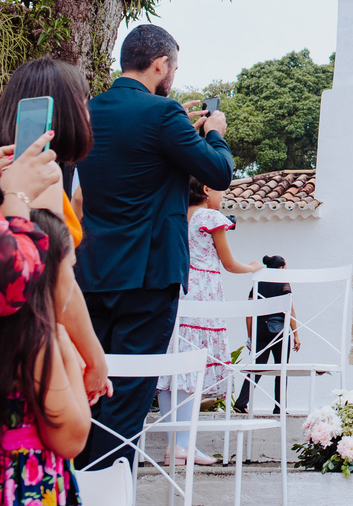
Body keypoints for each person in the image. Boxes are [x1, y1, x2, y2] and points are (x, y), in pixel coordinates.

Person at [74, 25, 234, 469]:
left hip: (91, 273)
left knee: (91, 386)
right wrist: (213, 132)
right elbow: (217, 173)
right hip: (147, 276)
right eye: (174, 67)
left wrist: (175, 124)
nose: (173, 74)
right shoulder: (164, 117)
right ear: (160, 64)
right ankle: (109, 489)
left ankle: (80, 487)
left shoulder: (88, 111)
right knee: (128, 396)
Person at [0, 59, 111, 408]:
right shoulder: (43, 176)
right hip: (34, 344)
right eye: (84, 101)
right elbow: (59, 280)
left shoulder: (9, 170)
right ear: (66, 110)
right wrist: (95, 359)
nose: (89, 112)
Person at [0, 134, 90, 506]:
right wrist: (65, 344)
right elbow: (72, 436)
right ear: (47, 273)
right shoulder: (38, 339)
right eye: (70, 267)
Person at [156, 178, 263, 464]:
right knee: (193, 371)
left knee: (172, 374)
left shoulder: (178, 213)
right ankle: (183, 445)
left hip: (178, 293)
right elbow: (228, 263)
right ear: (205, 190)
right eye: (220, 190)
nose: (223, 196)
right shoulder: (210, 216)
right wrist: (253, 267)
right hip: (203, 295)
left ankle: (173, 445)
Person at [234, 255, 300, 415]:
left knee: (257, 368)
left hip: (260, 330)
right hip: (279, 331)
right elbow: (289, 310)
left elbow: (249, 313)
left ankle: (241, 402)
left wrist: (250, 335)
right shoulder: (283, 284)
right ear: (281, 268)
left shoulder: (258, 285)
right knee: (281, 369)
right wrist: (296, 335)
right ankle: (279, 407)